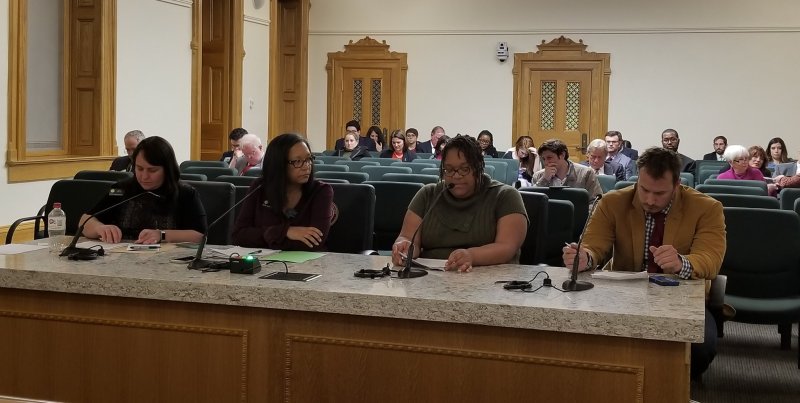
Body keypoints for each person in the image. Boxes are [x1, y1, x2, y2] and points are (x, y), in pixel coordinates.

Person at [562, 147, 726, 381]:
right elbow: (594, 246)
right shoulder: (612, 202)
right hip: (623, 293)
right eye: (644, 189)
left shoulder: (707, 208)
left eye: (659, 193)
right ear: (637, 180)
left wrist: (681, 262)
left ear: (677, 184)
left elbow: (710, 260)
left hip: (681, 300)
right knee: (588, 337)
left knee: (698, 350)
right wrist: (584, 257)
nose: (650, 200)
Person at [391, 135, 528, 271]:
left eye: (464, 169)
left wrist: (471, 256)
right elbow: (407, 237)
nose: (456, 176)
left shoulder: (505, 196)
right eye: (449, 170)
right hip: (431, 278)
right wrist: (404, 246)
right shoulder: (428, 195)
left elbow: (507, 247)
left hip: (492, 282)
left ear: (479, 167)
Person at [83, 136, 207, 244]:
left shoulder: (185, 194)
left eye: (152, 170)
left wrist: (162, 235)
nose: (144, 176)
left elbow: (200, 236)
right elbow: (85, 219)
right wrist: (99, 228)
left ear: (167, 169)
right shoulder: (120, 190)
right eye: (139, 168)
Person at [232, 133, 334, 250]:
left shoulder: (321, 191)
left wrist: (267, 236)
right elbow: (238, 236)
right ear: (278, 164)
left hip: (308, 265)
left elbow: (314, 243)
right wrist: (285, 232)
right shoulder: (259, 187)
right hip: (263, 262)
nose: (306, 166)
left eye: (309, 159)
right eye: (297, 161)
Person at [531, 139, 603, 199]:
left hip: (579, 215)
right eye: (543, 159)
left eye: (549, 158)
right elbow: (532, 201)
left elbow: (595, 202)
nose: (546, 162)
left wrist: (584, 215)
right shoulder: (538, 176)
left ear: (562, 155)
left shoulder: (586, 173)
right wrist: (544, 179)